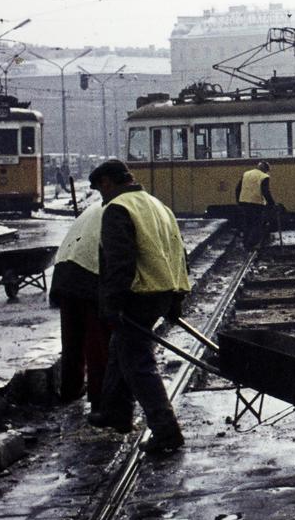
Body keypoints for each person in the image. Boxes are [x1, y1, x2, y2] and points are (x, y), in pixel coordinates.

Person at [86, 159, 191, 454]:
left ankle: (167, 431)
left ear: (108, 182)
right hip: (162, 290)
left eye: (100, 190)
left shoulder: (118, 209)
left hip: (137, 294)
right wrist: (177, 297)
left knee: (138, 362)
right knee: (120, 347)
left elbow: (120, 262)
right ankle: (115, 412)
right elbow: (178, 251)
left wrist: (113, 302)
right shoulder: (157, 205)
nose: (101, 197)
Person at [49, 203, 112, 411]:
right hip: (89, 273)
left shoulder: (95, 208)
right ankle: (99, 397)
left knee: (72, 338)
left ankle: (70, 389)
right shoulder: (121, 209)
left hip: (65, 271)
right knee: (96, 341)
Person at [234, 160, 275, 248]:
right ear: (265, 169)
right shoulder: (264, 176)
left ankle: (245, 243)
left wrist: (239, 201)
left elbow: (237, 188)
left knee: (247, 223)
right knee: (256, 223)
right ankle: (252, 244)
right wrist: (272, 203)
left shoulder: (246, 174)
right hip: (256, 203)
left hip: (244, 202)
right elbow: (265, 192)